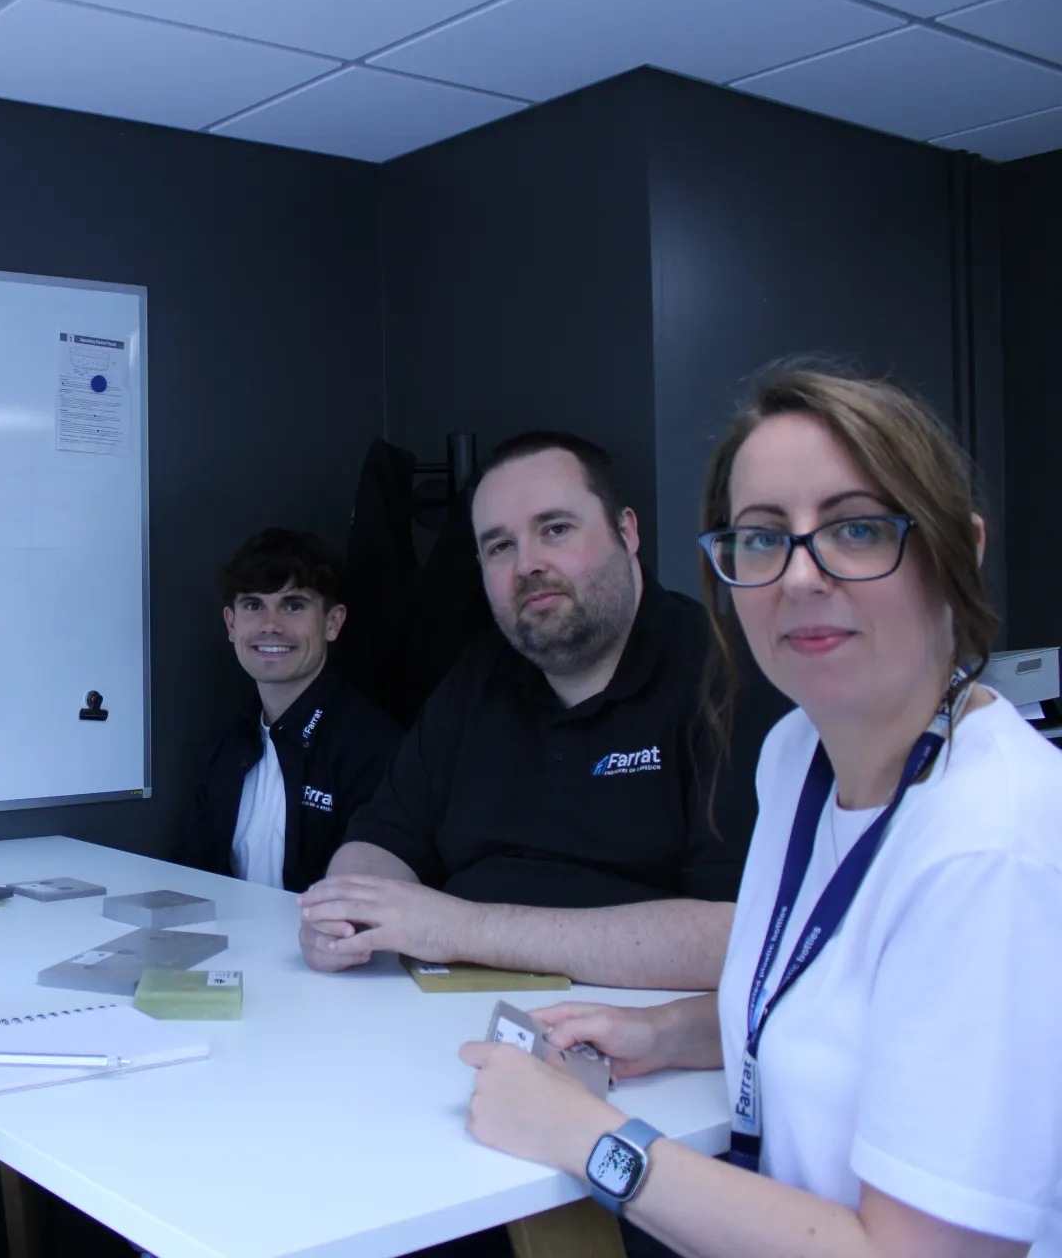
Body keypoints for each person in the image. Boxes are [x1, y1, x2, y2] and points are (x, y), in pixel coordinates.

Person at [461, 369, 1061, 1256]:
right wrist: (663, 1033)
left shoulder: (992, 843)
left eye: (858, 530)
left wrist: (588, 1140)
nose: (802, 576)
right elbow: (841, 1010)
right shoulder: (797, 756)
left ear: (960, 552)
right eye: (761, 538)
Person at [300, 433, 782, 990]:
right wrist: (344, 910)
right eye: (500, 546)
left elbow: (737, 936)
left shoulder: (725, 679)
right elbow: (383, 837)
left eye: (555, 529)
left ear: (626, 532)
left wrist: (465, 929)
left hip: (634, 1038)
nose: (528, 564)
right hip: (438, 1019)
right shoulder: (477, 678)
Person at [181, 528, 402, 892]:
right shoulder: (225, 750)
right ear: (231, 624)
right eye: (253, 605)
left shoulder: (375, 751)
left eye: (293, 606)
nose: (270, 626)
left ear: (333, 623)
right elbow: (190, 878)